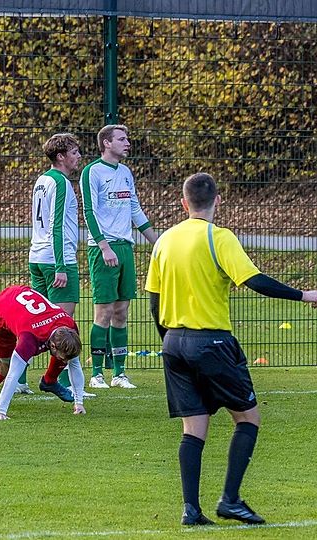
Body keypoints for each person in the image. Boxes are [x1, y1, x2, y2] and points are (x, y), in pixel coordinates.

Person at [145, 172, 317, 526]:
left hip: (174, 343)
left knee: (194, 427)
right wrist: (305, 295)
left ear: (183, 202)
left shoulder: (164, 239)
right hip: (212, 342)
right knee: (248, 417)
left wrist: (169, 340)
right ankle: (231, 500)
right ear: (218, 200)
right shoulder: (218, 237)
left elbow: (153, 300)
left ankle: (191, 510)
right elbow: (254, 280)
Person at [80, 124, 158, 389]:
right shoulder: (92, 172)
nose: (127, 143)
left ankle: (120, 374)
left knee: (122, 312)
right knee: (103, 311)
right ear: (106, 143)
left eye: (127, 138)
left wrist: (157, 243)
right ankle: (97, 373)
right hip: (104, 248)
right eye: (122, 139)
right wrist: (103, 246)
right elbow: (89, 212)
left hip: (125, 247)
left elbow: (135, 208)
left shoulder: (125, 172)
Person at [0, 285, 86, 419]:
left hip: (21, 302)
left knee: (65, 354)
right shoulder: (29, 339)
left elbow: (74, 364)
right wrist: (1, 412)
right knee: (5, 366)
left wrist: (79, 403)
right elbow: (13, 374)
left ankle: (49, 382)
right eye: (63, 359)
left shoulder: (69, 326)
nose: (65, 362)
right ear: (52, 345)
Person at [24, 133, 84, 394]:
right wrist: (61, 265)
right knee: (65, 326)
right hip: (57, 261)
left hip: (37, 257)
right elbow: (56, 225)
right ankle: (61, 382)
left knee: (35, 323)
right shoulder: (60, 182)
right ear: (61, 156)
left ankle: (18, 379)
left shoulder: (42, 180)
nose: (78, 156)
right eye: (74, 152)